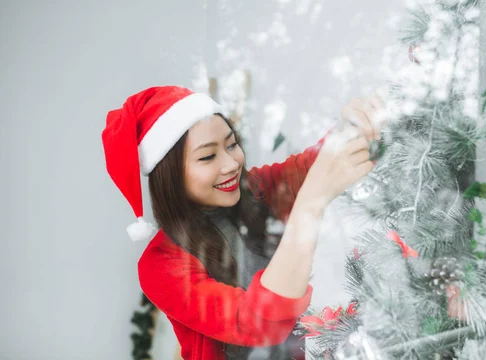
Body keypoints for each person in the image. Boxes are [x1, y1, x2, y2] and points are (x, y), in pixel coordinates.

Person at [101, 86, 384, 360]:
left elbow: (311, 165)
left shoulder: (256, 189)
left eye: (232, 144)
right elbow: (257, 324)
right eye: (207, 156)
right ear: (170, 176)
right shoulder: (161, 266)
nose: (231, 164)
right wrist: (312, 203)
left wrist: (354, 126)